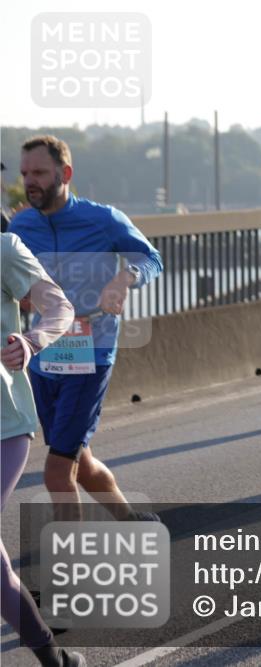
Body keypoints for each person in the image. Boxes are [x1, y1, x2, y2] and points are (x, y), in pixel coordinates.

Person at [9, 135, 163, 523]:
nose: (31, 181)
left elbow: (151, 259)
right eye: (26, 173)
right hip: (43, 357)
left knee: (58, 470)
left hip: (91, 353)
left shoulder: (103, 219)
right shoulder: (22, 224)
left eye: (40, 172)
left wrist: (123, 278)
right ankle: (129, 519)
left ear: (66, 173)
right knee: (81, 457)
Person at [1, 233, 85, 666]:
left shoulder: (4, 249)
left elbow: (60, 308)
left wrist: (31, 341)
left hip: (4, 425)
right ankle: (55, 660)